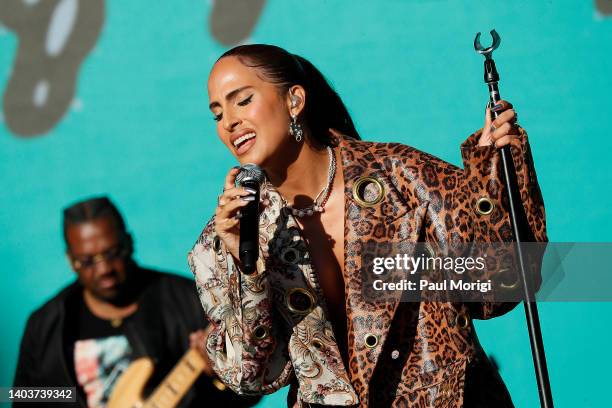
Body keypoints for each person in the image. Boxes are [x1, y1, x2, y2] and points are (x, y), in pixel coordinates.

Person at [188, 44, 547, 407]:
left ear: (294, 100)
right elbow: (247, 376)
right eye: (217, 114)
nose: (229, 122)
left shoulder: (399, 176)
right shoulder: (224, 240)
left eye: (242, 101)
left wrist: (490, 176)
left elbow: (498, 288)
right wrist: (246, 269)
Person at [14, 196, 260, 408]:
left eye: (111, 253)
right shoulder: (46, 325)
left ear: (129, 243)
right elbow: (21, 397)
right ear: (71, 260)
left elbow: (253, 388)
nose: (103, 270)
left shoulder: (190, 299)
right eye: (88, 261)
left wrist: (220, 376)